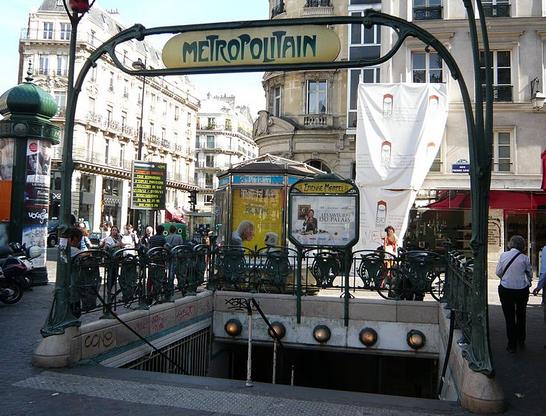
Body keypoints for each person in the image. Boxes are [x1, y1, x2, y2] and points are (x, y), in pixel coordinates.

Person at [496, 235, 532, 353]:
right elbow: (530, 274)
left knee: (509, 317)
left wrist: (506, 278)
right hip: (522, 289)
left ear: (510, 244)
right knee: (521, 315)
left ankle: (511, 345)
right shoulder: (525, 258)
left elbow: (498, 272)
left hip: (506, 289)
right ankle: (521, 339)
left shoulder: (503, 255)